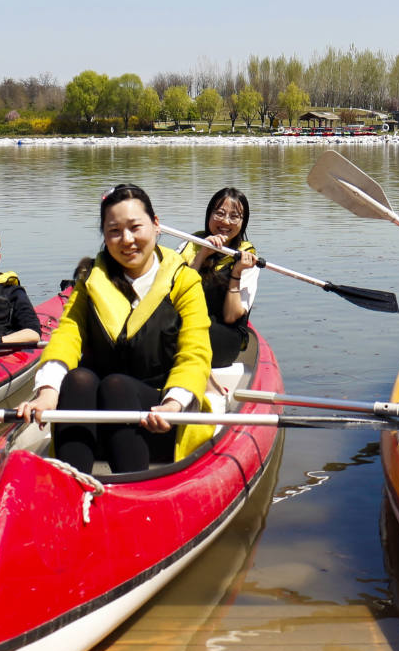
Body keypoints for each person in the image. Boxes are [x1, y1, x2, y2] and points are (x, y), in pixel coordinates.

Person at [14, 185, 212, 473]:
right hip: (98, 423)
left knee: (116, 385)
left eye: (135, 227)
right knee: (78, 379)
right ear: (104, 235)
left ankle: (133, 487)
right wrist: (46, 391)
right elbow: (67, 334)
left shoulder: (184, 281)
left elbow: (195, 353)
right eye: (115, 231)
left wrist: (173, 404)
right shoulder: (91, 279)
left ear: (156, 225)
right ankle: (72, 484)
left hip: (161, 417)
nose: (127, 240)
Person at [180, 187, 259, 368]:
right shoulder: (190, 245)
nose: (225, 221)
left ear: (243, 222)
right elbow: (174, 296)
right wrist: (202, 255)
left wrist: (236, 272)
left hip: (224, 335)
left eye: (234, 216)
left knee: (185, 331)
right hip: (187, 324)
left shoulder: (248, 260)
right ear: (209, 215)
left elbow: (231, 316)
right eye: (220, 213)